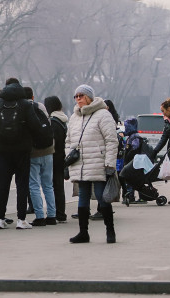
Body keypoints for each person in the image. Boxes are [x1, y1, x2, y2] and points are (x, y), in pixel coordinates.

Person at [0, 78, 42, 230]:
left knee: (3, 184)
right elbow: (36, 126)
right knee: (22, 185)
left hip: (3, 150)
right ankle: (21, 219)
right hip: (22, 151)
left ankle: (0, 219)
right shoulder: (25, 104)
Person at [66, 84, 119, 244]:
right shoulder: (74, 116)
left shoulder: (103, 114)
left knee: (102, 197)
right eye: (76, 96)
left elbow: (111, 140)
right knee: (82, 197)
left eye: (81, 96)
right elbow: (68, 140)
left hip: (98, 163)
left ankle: (110, 231)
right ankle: (83, 232)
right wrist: (69, 156)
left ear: (89, 97)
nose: (78, 99)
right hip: (80, 163)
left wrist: (110, 163)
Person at [26, 88, 57, 227]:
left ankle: (39, 216)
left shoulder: (23, 108)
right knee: (48, 185)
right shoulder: (40, 106)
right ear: (33, 96)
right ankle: (52, 215)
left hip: (33, 152)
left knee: (34, 185)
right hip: (48, 150)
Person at [44, 95, 69, 222]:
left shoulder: (53, 122)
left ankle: (58, 212)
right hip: (62, 157)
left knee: (54, 186)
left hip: (54, 157)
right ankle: (60, 211)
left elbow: (53, 141)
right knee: (59, 186)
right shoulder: (63, 119)